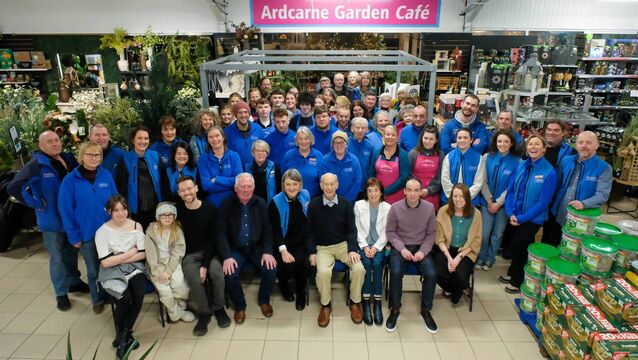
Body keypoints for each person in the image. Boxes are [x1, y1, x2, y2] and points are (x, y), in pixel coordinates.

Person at [7, 131, 87, 311]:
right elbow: (14, 186)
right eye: (49, 141)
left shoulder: (68, 159)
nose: (54, 144)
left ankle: (74, 281)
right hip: (52, 220)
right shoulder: (36, 164)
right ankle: (61, 293)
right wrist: (34, 202)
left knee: (71, 252)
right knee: (57, 257)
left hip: (71, 217)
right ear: (41, 145)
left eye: (57, 140)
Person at [58, 141, 119, 313]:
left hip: (109, 231)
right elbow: (66, 210)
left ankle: (112, 294)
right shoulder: (70, 181)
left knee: (110, 266)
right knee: (93, 270)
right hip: (87, 234)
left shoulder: (106, 175)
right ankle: (97, 299)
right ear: (81, 157)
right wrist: (73, 236)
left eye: (97, 155)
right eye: (89, 154)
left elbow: (116, 201)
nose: (94, 158)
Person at [500, 135, 557, 294]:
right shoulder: (520, 165)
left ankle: (517, 282)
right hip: (515, 215)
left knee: (519, 246)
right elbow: (510, 190)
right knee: (521, 246)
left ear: (544, 148)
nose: (533, 147)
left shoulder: (549, 172)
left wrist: (522, 218)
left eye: (537, 144)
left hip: (533, 219)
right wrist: (511, 212)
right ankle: (515, 274)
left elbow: (543, 202)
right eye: (530, 144)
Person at [306, 173, 365, 327]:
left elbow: (352, 230)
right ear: (321, 185)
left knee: (358, 269)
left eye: (332, 184)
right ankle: (326, 305)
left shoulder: (346, 204)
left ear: (337, 185)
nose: (329, 187)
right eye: (326, 184)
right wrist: (312, 252)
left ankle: (355, 302)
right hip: (323, 247)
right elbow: (309, 232)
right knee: (323, 273)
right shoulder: (313, 205)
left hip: (343, 245)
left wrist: (352, 249)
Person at [217, 173, 277, 324]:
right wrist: (227, 257)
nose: (246, 189)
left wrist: (268, 252)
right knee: (230, 274)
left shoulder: (261, 203)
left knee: (271, 269)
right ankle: (239, 306)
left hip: (256, 247)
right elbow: (220, 233)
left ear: (254, 187)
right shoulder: (226, 205)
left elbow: (268, 231)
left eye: (249, 186)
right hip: (235, 249)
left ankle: (264, 300)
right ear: (235, 188)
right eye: (242, 186)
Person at [176, 176, 230, 336]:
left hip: (210, 252)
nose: (187, 192)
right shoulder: (177, 213)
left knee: (218, 274)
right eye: (183, 190)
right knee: (193, 279)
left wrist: (205, 265)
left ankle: (219, 307)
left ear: (196, 188)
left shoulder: (210, 209)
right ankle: (205, 313)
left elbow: (213, 241)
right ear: (179, 193)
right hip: (189, 255)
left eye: (189, 188)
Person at [95, 195, 146, 359]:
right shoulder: (101, 232)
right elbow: (105, 264)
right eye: (116, 210)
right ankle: (125, 335)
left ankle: (123, 335)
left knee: (138, 295)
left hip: (135, 268)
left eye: (123, 209)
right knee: (125, 298)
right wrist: (131, 252)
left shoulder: (137, 225)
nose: (121, 213)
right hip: (111, 272)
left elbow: (143, 254)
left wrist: (120, 257)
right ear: (109, 211)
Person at [385, 178, 438, 333]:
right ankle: (395, 309)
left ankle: (426, 310)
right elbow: (390, 232)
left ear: (421, 191)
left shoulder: (429, 208)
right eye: (409, 190)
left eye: (416, 190)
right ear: (404, 191)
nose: (413, 193)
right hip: (401, 247)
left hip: (421, 247)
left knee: (431, 273)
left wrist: (422, 251)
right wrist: (402, 249)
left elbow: (431, 234)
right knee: (395, 272)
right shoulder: (395, 208)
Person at [546, 131, 612, 245]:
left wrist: (584, 203)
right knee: (552, 244)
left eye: (589, 142)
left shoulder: (604, 168)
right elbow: (556, 184)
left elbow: (602, 195)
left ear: (597, 145)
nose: (584, 145)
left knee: (571, 250)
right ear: (576, 145)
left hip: (581, 219)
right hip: (559, 214)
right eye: (580, 142)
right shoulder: (566, 161)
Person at [476, 130, 520, 270]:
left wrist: (498, 203)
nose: (502, 144)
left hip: (503, 205)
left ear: (511, 143)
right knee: (484, 233)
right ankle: (480, 257)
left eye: (506, 141)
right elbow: (482, 181)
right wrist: (489, 201)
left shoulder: (517, 161)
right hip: (486, 203)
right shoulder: (487, 157)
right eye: (500, 141)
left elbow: (511, 187)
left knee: (497, 234)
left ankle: (490, 259)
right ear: (495, 142)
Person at [144, 202, 194, 324]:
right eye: (163, 215)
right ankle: (177, 314)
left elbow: (178, 252)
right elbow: (150, 256)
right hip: (156, 265)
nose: (167, 218)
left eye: (170, 215)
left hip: (173, 264)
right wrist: (159, 272)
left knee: (181, 287)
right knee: (165, 290)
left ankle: (171, 309)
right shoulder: (151, 231)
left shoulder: (177, 230)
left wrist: (169, 271)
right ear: (158, 217)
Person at [433, 184, 482, 304]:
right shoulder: (443, 211)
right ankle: (453, 288)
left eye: (462, 196)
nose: (458, 199)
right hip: (446, 249)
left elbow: (476, 240)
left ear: (467, 198)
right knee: (435, 272)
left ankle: (458, 289)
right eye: (455, 196)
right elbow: (439, 237)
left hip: (466, 251)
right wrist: (449, 258)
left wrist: (458, 258)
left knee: (461, 276)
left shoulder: (476, 214)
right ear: (451, 197)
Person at [269, 169, 310, 310]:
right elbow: (275, 230)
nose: (291, 188)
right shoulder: (275, 202)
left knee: (301, 262)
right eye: (288, 184)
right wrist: (283, 250)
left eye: (295, 184)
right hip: (283, 242)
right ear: (283, 185)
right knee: (284, 265)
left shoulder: (306, 195)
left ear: (300, 185)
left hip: (301, 241)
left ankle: (301, 293)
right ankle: (284, 286)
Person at [354, 178, 391, 326]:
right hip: (363, 244)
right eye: (370, 190)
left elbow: (388, 231)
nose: (373, 193)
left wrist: (375, 247)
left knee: (376, 264)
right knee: (366, 265)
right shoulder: (358, 205)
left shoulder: (388, 207)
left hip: (379, 245)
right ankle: (365, 302)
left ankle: (376, 303)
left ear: (381, 192)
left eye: (376, 190)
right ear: (366, 192)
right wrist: (364, 247)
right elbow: (355, 229)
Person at [115, 125, 162, 230]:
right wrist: (126, 212)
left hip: (155, 210)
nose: (143, 141)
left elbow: (163, 182)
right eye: (139, 138)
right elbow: (121, 188)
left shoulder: (155, 157)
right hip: (135, 211)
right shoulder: (125, 159)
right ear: (133, 140)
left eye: (146, 138)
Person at [198, 126, 243, 208]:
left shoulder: (234, 156)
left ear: (223, 137)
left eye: (217, 135)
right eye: (210, 137)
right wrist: (230, 183)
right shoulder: (203, 159)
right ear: (207, 140)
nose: (214, 139)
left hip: (233, 202)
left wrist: (217, 179)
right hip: (212, 205)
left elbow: (239, 181)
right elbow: (206, 186)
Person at [441, 128, 485, 206]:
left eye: (465, 138)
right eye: (459, 138)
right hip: (449, 200)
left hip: (470, 201)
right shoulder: (449, 157)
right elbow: (445, 180)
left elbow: (478, 183)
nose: (462, 140)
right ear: (456, 139)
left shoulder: (479, 158)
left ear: (471, 140)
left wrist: (465, 198)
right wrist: (454, 197)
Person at [370, 125, 410, 204]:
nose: (390, 137)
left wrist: (385, 192)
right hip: (377, 196)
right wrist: (377, 191)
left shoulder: (403, 155)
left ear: (398, 138)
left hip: (397, 197)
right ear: (383, 136)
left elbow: (403, 178)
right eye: (387, 134)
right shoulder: (376, 153)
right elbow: (371, 173)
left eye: (393, 135)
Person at [319, 131, 362, 203]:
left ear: (346, 144)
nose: (339, 145)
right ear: (332, 145)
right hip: (330, 201)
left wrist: (346, 200)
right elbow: (323, 182)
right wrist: (333, 199)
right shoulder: (325, 160)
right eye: (336, 143)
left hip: (349, 202)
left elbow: (357, 181)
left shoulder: (354, 160)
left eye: (342, 142)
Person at [409, 126, 444, 211]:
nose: (427, 141)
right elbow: (408, 175)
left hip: (432, 196)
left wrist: (428, 191)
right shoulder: (413, 154)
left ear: (436, 141)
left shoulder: (441, 156)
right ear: (421, 138)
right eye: (425, 138)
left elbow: (440, 177)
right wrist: (417, 189)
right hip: (414, 194)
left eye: (431, 139)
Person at [282, 126, 324, 198]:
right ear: (296, 141)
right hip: (292, 199)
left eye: (306, 138)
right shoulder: (288, 155)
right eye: (300, 139)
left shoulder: (318, 155)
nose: (303, 142)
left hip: (313, 199)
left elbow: (322, 180)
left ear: (311, 139)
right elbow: (283, 179)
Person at [225, 100, 265, 165]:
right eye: (240, 112)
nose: (243, 115)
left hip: (255, 168)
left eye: (246, 112)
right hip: (236, 169)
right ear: (235, 115)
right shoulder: (228, 132)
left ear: (249, 114)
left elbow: (264, 150)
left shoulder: (257, 129)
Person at [348, 117, 376, 195]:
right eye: (357, 127)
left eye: (363, 128)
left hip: (364, 187)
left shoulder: (370, 146)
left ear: (366, 129)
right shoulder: (345, 144)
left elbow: (372, 167)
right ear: (352, 128)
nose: (360, 130)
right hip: (349, 186)